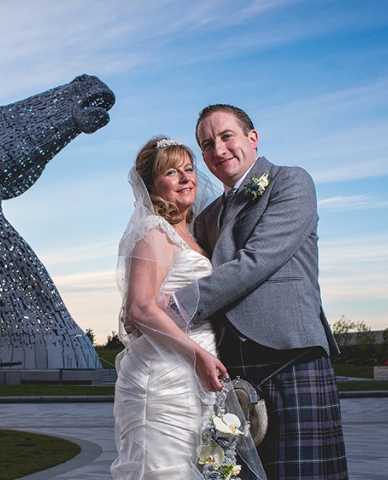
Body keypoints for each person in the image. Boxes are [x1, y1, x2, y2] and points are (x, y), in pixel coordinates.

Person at [170, 104, 349, 479]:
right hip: (231, 368)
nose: (217, 150)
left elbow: (258, 260)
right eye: (206, 144)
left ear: (252, 138)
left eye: (226, 136)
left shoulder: (291, 182)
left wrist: (176, 305)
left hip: (290, 355)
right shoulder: (207, 216)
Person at [112, 137, 264, 479]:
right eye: (171, 172)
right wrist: (197, 354)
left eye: (189, 169)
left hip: (196, 373)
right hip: (164, 376)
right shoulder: (154, 232)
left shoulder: (193, 235)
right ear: (152, 184)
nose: (186, 178)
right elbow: (139, 308)